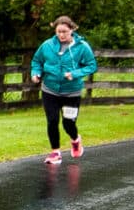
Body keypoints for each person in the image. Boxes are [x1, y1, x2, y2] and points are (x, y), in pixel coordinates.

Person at [30, 15, 97, 164]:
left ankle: (75, 140)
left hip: (71, 92)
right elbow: (37, 61)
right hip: (50, 90)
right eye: (58, 31)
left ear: (72, 30)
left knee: (68, 123)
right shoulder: (47, 45)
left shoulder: (82, 47)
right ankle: (55, 152)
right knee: (52, 121)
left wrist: (74, 74)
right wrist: (35, 73)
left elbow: (91, 65)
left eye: (65, 31)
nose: (61, 35)